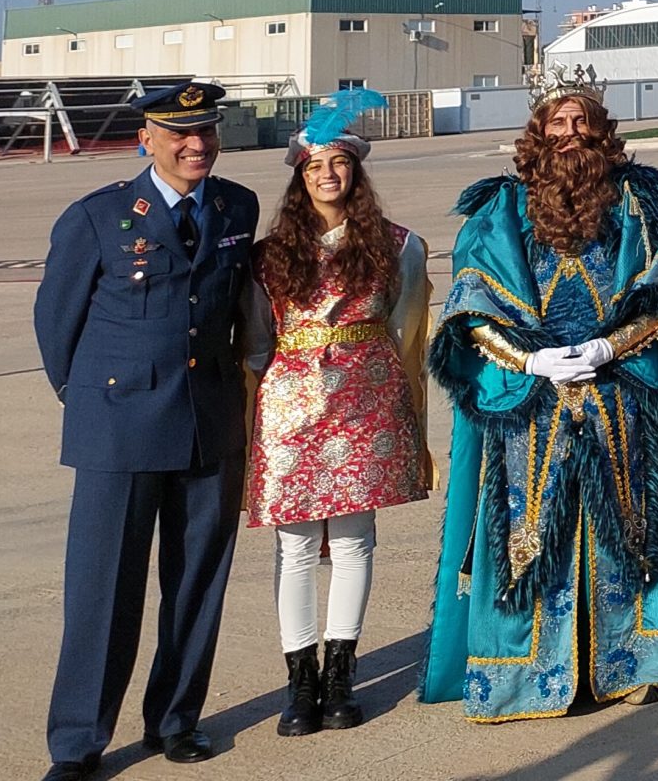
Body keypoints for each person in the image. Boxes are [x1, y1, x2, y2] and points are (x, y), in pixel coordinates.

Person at [421, 67, 658, 721]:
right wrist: (532, 359)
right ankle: (526, 677)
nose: (570, 134)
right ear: (538, 133)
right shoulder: (500, 209)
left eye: (582, 122)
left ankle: (627, 664)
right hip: (530, 404)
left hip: (618, 396)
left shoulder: (640, 205)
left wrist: (608, 348)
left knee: (623, 535)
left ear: (601, 131)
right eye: (558, 122)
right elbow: (471, 305)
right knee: (528, 540)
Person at [34, 82, 264, 778]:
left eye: (208, 133)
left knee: (197, 581)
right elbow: (56, 326)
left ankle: (175, 720)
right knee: (103, 591)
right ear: (149, 139)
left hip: (208, 424)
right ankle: (78, 743)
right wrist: (90, 403)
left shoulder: (236, 207)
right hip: (119, 429)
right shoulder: (98, 216)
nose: (198, 145)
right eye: (180, 134)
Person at [243, 90, 430, 737]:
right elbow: (256, 343)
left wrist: (409, 417)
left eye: (340, 161)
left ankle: (340, 672)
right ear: (299, 174)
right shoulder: (267, 256)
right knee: (295, 548)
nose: (328, 173)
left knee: (353, 542)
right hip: (291, 411)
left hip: (366, 404)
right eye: (315, 163)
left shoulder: (397, 245)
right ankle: (300, 683)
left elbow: (407, 331)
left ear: (356, 169)